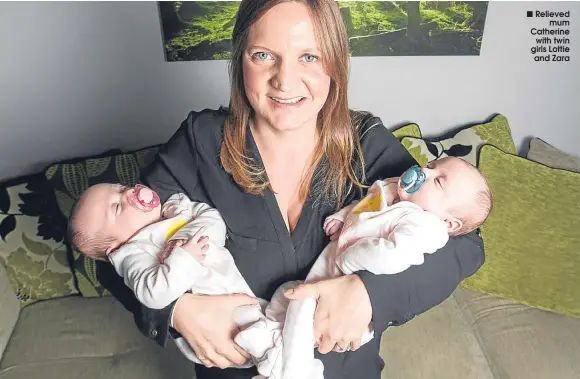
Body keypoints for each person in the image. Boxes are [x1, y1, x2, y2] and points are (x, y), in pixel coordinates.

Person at [94, 1, 485, 378]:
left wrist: (371, 295)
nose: (284, 81)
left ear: (335, 64)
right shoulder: (199, 142)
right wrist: (176, 310)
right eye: (263, 55)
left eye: (309, 57)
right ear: (239, 60)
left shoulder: (365, 143)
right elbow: (106, 243)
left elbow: (466, 244)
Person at [235, 157, 492, 379]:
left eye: (438, 181)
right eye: (431, 166)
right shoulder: (394, 189)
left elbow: (394, 255)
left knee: (301, 307)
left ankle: (293, 371)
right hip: (325, 272)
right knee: (287, 294)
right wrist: (343, 217)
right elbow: (366, 205)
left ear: (449, 223)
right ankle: (271, 336)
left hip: (345, 291)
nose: (424, 172)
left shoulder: (425, 226)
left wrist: (354, 265)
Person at [68, 184, 271, 368]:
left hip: (241, 293)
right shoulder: (132, 255)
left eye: (121, 189)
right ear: (115, 247)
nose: (129, 193)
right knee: (267, 343)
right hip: (219, 327)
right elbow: (153, 294)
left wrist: (186, 236)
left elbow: (213, 219)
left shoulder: (175, 207)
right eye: (117, 208)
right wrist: (182, 257)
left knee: (281, 313)